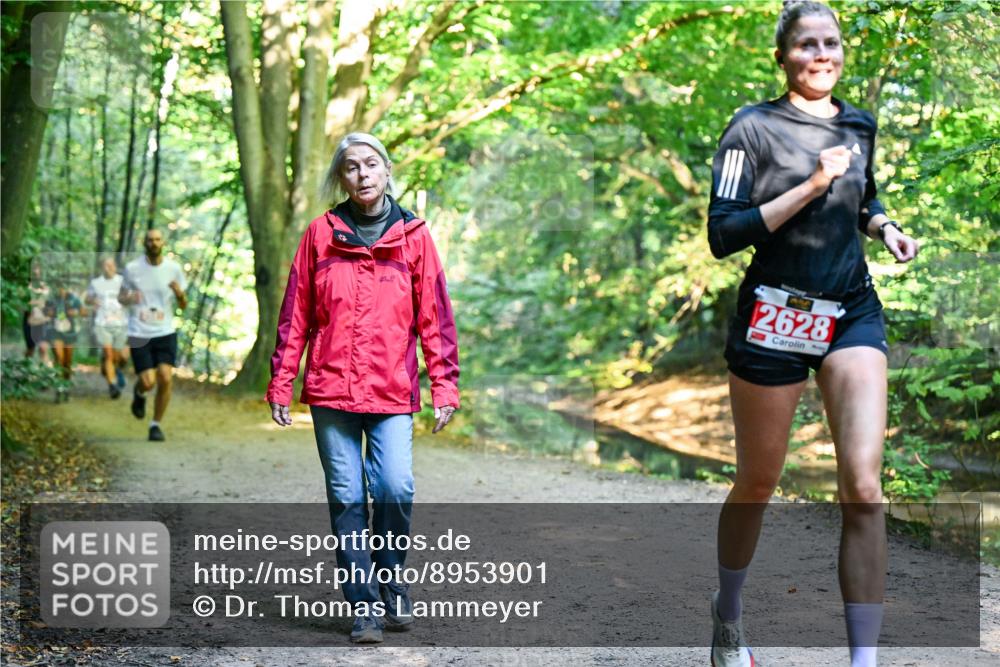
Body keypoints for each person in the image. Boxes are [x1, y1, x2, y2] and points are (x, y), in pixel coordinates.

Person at [705, 2, 920, 666]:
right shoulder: (752, 128)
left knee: (863, 484)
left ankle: (863, 660)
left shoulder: (859, 123)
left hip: (850, 310)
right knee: (758, 481)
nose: (820, 53)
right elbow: (723, 232)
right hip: (773, 313)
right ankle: (729, 614)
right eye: (805, 44)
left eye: (830, 42)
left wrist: (884, 227)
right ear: (782, 56)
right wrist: (810, 184)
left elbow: (864, 196)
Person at [266, 132, 460, 644]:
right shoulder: (319, 234)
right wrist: (281, 381)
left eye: (371, 164)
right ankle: (364, 606)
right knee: (347, 496)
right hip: (332, 391)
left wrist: (444, 387)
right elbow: (296, 314)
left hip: (393, 391)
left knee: (397, 488)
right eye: (351, 167)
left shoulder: (414, 236)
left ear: (387, 170)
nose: (363, 174)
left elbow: (435, 319)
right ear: (341, 178)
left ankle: (392, 579)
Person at [119, 229, 188, 442]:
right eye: (150, 240)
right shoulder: (132, 269)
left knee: (166, 377)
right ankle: (139, 393)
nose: (154, 243)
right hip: (139, 331)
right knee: (148, 382)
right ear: (144, 243)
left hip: (164, 330)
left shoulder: (173, 269)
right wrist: (130, 297)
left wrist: (179, 294)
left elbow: (183, 305)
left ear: (163, 243)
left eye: (157, 239)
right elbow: (121, 298)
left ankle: (155, 425)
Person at [86, 256, 130, 399]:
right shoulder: (96, 283)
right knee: (109, 354)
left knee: (121, 357)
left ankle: (115, 370)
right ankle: (112, 385)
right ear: (101, 268)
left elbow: (130, 297)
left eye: (111, 265)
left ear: (115, 267)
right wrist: (93, 300)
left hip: (121, 324)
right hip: (102, 324)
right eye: (105, 265)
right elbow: (87, 298)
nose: (108, 268)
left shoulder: (122, 281)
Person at [46, 283, 82, 403]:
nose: (61, 290)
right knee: (59, 358)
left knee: (67, 362)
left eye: (63, 287)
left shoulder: (74, 299)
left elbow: (83, 312)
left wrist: (76, 313)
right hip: (55, 332)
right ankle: (58, 388)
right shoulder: (51, 299)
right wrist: (51, 312)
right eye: (59, 287)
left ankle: (66, 387)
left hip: (69, 333)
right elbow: (47, 312)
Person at [24, 261, 52, 365]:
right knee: (30, 350)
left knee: (43, 349)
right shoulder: (26, 287)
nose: (35, 271)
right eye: (33, 269)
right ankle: (26, 371)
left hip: (43, 321)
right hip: (29, 320)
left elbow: (47, 304)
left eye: (37, 268)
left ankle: (48, 375)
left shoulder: (46, 287)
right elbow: (25, 305)